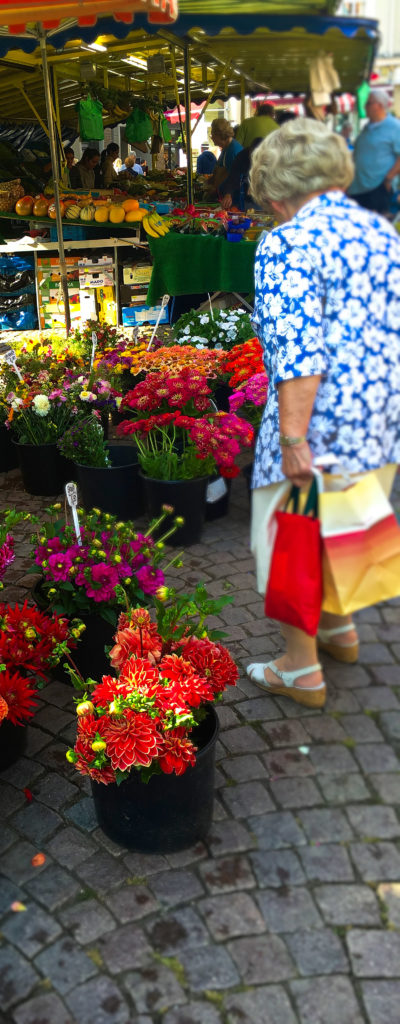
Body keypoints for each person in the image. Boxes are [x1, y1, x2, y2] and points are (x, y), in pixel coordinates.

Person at [245, 119, 400, 708]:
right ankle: (340, 629)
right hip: (379, 414)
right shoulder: (379, 230)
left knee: (297, 536)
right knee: (350, 520)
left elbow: (298, 348)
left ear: (277, 193)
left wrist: (291, 437)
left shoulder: (289, 242)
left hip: (323, 422)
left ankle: (300, 668)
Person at [347, 90, 400, 215]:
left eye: (368, 103)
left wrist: (389, 178)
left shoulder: (395, 127)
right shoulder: (368, 127)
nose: (365, 106)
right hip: (358, 187)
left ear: (380, 106)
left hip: (377, 187)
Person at [206, 119, 242, 203]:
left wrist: (216, 190)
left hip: (232, 199)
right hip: (223, 195)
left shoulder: (233, 150)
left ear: (219, 135)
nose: (212, 138)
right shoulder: (226, 148)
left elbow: (233, 177)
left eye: (212, 135)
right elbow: (220, 168)